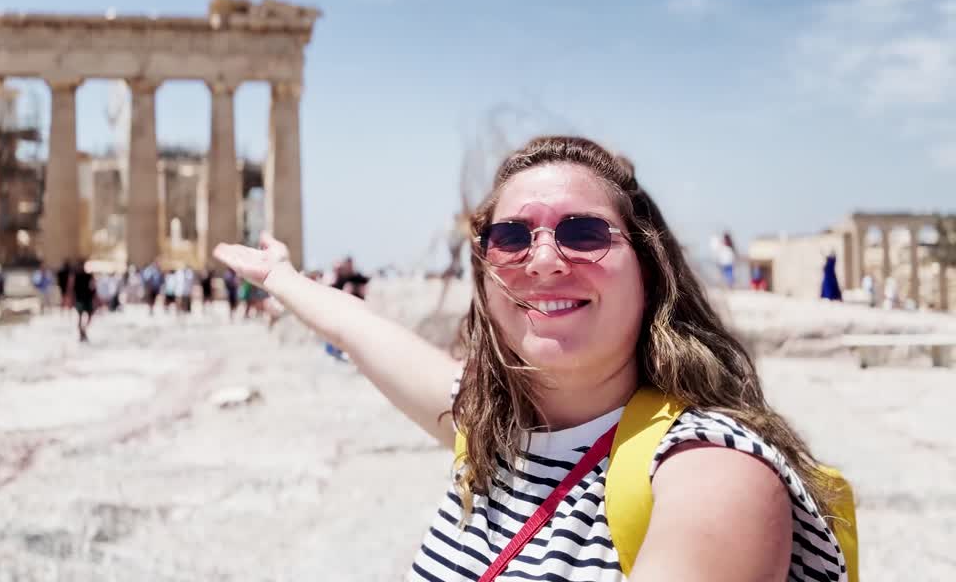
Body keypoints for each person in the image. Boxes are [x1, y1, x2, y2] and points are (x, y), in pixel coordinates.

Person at [212, 136, 848, 581]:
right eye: (512, 236)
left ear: (651, 269)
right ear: (485, 275)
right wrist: (285, 279)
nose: (544, 260)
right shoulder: (502, 434)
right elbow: (369, 338)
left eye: (583, 232)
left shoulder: (712, 473)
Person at [72, 259, 96, 341]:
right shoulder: (77, 276)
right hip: (81, 299)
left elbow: (93, 287)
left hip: (85, 299)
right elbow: (72, 288)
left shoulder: (87, 275)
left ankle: (83, 330)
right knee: (80, 317)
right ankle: (82, 332)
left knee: (87, 316)